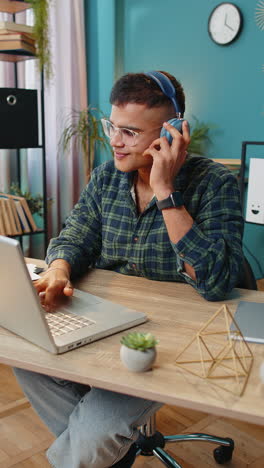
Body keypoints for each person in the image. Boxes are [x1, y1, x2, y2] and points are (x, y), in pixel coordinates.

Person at [13, 71, 244, 468]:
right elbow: (75, 235)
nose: (114, 141)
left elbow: (216, 280)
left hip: (170, 341)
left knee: (93, 438)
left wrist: (166, 191)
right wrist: (60, 269)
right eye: (112, 127)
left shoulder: (215, 183)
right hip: (105, 322)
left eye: (130, 133)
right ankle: (105, 450)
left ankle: (100, 450)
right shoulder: (106, 177)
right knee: (26, 357)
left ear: (171, 133)